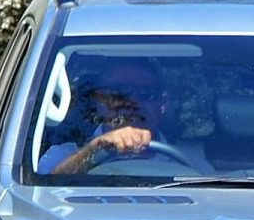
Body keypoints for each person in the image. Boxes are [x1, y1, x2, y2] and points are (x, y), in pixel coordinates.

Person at [36, 59, 211, 179]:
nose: (132, 102)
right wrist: (94, 150)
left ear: (162, 104)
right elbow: (37, 199)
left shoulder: (192, 164)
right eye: (119, 92)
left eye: (145, 94)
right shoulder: (62, 155)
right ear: (99, 100)